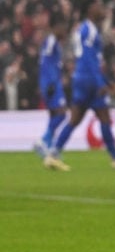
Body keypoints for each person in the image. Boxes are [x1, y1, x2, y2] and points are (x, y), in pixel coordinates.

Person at [45, 0, 115, 170]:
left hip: (82, 78)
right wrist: (100, 82)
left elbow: (92, 59)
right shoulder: (89, 30)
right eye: (98, 6)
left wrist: (105, 80)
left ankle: (53, 154)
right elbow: (89, 59)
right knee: (104, 116)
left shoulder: (86, 29)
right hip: (89, 80)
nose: (101, 9)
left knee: (75, 119)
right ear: (89, 10)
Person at [35, 15, 69, 158]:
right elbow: (45, 63)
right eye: (63, 29)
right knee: (62, 114)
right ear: (56, 28)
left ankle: (49, 147)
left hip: (51, 82)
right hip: (51, 83)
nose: (65, 32)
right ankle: (43, 141)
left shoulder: (53, 42)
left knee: (54, 115)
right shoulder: (51, 41)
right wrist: (50, 82)